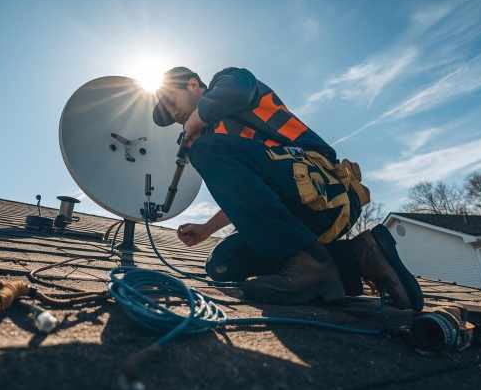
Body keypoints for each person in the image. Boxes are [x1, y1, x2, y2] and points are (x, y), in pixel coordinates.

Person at [152, 66, 423, 310]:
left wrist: (199, 118)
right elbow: (251, 196)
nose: (176, 115)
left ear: (192, 83)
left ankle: (309, 265)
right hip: (296, 215)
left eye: (172, 102)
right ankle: (359, 256)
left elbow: (237, 89)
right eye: (174, 118)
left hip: (323, 191)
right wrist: (206, 230)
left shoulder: (229, 81)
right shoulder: (213, 139)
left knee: (206, 150)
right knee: (222, 263)